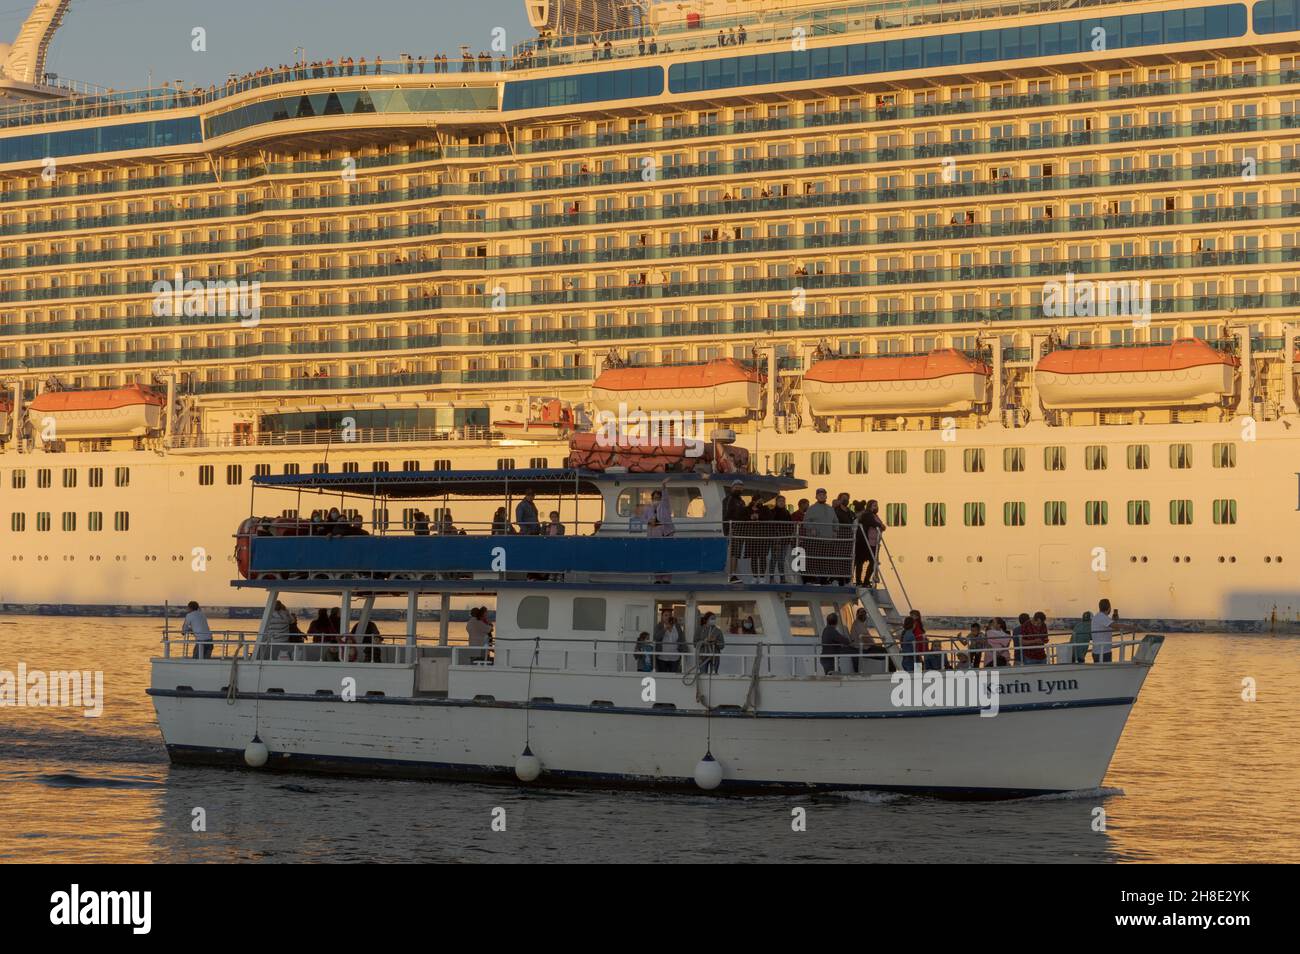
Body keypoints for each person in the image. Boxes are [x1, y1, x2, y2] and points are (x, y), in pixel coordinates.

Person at [859, 499, 885, 586]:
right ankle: (863, 581)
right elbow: (872, 523)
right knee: (865, 561)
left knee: (873, 562)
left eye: (877, 505)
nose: (876, 507)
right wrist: (880, 525)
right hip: (867, 542)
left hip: (874, 542)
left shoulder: (874, 515)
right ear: (869, 506)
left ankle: (866, 580)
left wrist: (881, 526)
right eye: (874, 505)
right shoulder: (867, 514)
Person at [653, 608, 685, 673]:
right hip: (662, 657)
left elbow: (681, 639)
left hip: (675, 657)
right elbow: (656, 638)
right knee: (663, 677)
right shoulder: (659, 626)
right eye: (666, 615)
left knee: (674, 677)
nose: (668, 617)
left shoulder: (677, 626)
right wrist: (664, 629)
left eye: (669, 615)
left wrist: (683, 650)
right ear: (662, 617)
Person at [1091, 598, 1117, 663]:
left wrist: (1114, 621)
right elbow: (1117, 626)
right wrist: (1132, 627)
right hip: (1103, 652)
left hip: (1097, 651)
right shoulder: (1103, 617)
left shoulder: (1097, 616)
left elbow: (1111, 626)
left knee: (1099, 672)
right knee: (1106, 672)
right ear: (1108, 607)